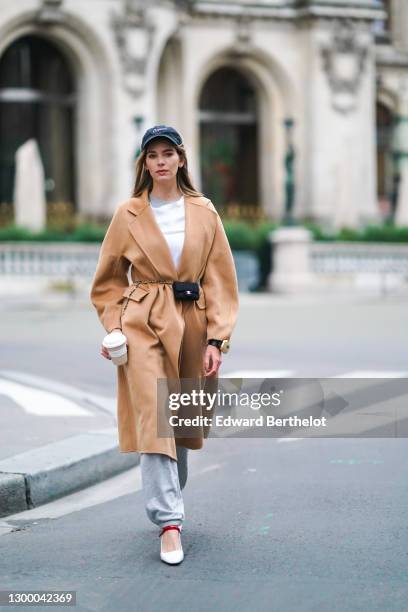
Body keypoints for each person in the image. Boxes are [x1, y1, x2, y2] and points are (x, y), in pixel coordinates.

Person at [90, 125, 239, 565]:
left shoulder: (204, 212)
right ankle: (169, 523)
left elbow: (221, 279)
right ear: (144, 163)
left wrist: (217, 339)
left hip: (192, 323)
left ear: (180, 160)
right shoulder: (128, 213)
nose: (160, 161)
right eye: (152, 154)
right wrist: (114, 325)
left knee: (181, 425)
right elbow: (107, 282)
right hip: (143, 323)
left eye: (167, 153)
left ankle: (170, 494)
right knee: (155, 418)